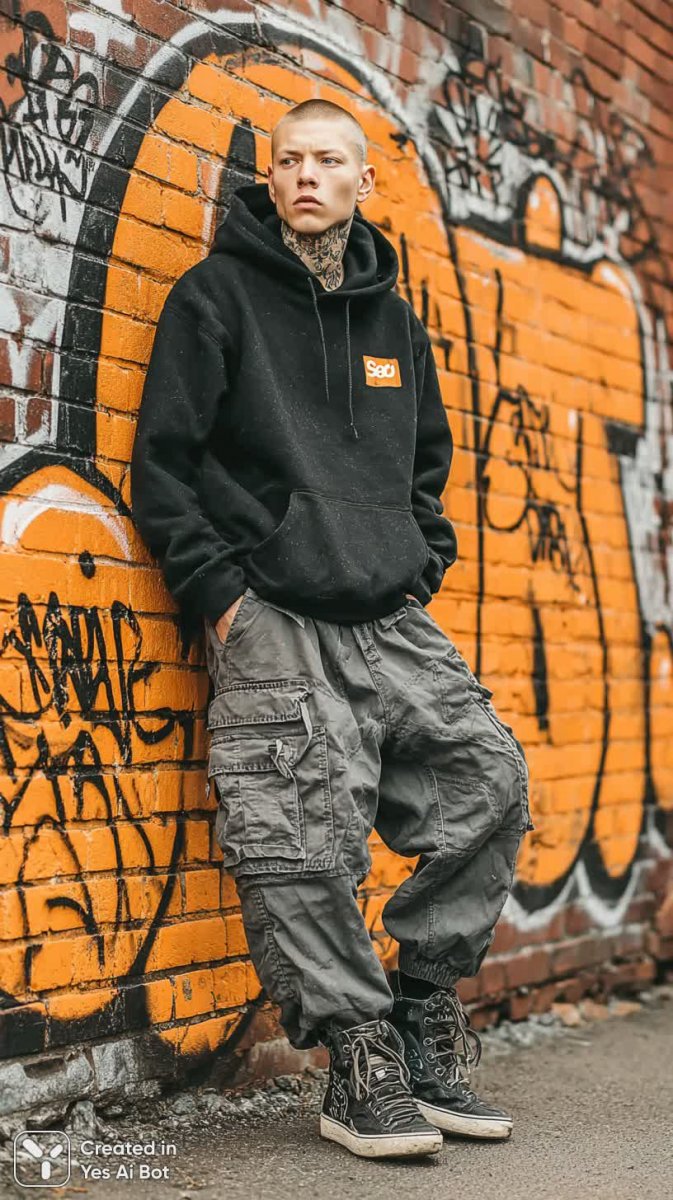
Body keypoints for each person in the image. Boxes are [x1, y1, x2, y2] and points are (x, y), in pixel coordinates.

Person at [130, 98, 534, 1161]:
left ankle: (420, 1011)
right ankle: (358, 1063)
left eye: (327, 160)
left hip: (386, 615)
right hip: (273, 613)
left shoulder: (394, 323)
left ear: (363, 181)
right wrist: (224, 595)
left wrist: (418, 560)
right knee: (301, 837)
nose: (306, 175)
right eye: (289, 161)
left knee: (488, 779)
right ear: (270, 179)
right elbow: (164, 464)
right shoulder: (215, 296)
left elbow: (428, 467)